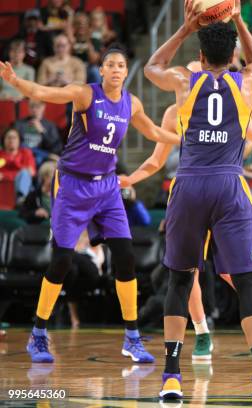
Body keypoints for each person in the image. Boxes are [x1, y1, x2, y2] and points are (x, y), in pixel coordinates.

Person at [0, 43, 180, 364]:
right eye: (109, 64)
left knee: (125, 257)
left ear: (126, 72)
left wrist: (186, 138)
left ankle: (132, 337)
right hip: (72, 185)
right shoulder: (85, 94)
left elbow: (153, 131)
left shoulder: (131, 103)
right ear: (101, 70)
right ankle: (38, 334)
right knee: (61, 261)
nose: (114, 70)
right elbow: (44, 93)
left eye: (120, 65)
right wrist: (15, 82)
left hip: (107, 187)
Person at [143, 0, 252, 401]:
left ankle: (171, 377)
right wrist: (239, 20)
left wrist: (185, 30)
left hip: (188, 185)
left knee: (180, 278)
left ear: (201, 56)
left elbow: (152, 66)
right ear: (234, 53)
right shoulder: (247, 81)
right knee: (247, 282)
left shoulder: (186, 81)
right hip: (229, 186)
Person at [121, 61, 252, 363]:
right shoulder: (174, 112)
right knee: (186, 271)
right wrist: (129, 178)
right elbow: (155, 160)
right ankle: (202, 331)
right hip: (188, 191)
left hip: (226, 192)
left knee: (236, 274)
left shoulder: (233, 106)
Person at [14, 100, 63, 166]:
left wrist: (42, 131)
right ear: (28, 108)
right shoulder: (19, 124)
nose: (34, 109)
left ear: (43, 107)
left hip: (42, 160)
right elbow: (15, 144)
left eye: (37, 107)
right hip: (23, 157)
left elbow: (56, 147)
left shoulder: (50, 126)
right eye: (32, 107)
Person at [0, 128, 36, 207]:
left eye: (14, 138)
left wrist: (5, 175)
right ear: (4, 140)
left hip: (23, 187)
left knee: (24, 173)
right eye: (9, 137)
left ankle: (21, 200)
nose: (11, 140)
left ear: (19, 140)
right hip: (3, 189)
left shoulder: (26, 153)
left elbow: (31, 173)